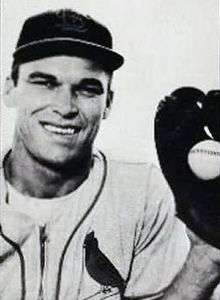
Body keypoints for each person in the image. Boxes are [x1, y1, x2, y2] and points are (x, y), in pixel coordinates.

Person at [0, 8, 219, 300]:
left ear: (108, 104)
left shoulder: (141, 194)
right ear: (11, 89)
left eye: (88, 89)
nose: (65, 107)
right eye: (45, 83)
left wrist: (207, 255)